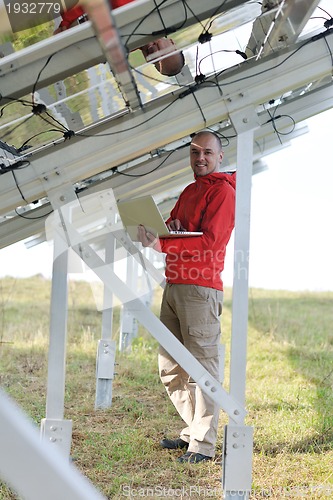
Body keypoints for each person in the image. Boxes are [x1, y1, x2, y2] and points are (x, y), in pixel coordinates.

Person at [138, 131, 236, 463]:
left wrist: (163, 243)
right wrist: (153, 231)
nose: (200, 158)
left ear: (220, 156)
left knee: (203, 368)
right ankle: (193, 430)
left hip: (200, 289)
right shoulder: (189, 191)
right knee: (171, 366)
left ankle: (204, 446)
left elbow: (209, 243)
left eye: (208, 152)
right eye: (195, 152)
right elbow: (171, 226)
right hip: (175, 283)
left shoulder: (223, 193)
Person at [53, 0, 185, 77]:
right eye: (161, 52)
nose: (153, 50)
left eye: (155, 59)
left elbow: (66, 36)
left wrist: (67, 31)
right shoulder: (155, 9)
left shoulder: (112, 51)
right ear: (172, 43)